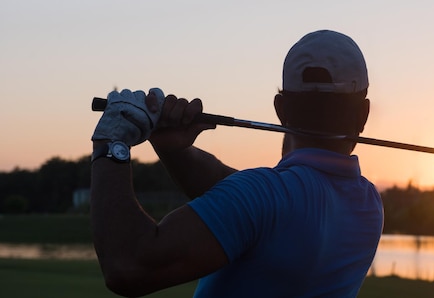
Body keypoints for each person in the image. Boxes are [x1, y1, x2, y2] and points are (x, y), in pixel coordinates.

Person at [90, 30, 384, 297]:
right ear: (364, 114)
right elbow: (236, 194)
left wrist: (112, 141)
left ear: (280, 110)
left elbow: (128, 265)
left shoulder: (264, 197)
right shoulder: (368, 204)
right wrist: (175, 151)